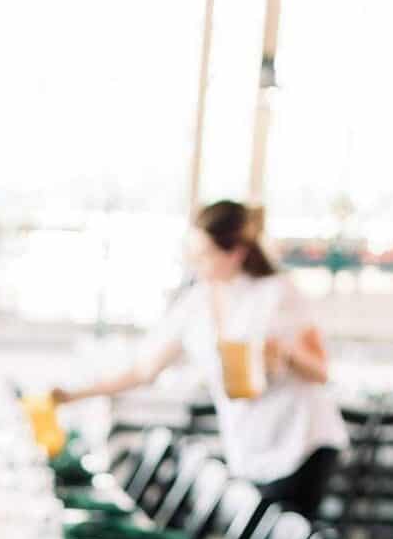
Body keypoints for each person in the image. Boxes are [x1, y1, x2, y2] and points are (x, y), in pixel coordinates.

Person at [53, 200, 347, 519]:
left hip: (300, 442)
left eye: (204, 254)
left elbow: (321, 371)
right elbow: (143, 369)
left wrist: (285, 353)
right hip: (249, 446)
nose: (195, 263)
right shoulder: (196, 304)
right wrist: (73, 395)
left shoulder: (277, 292)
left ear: (235, 253)